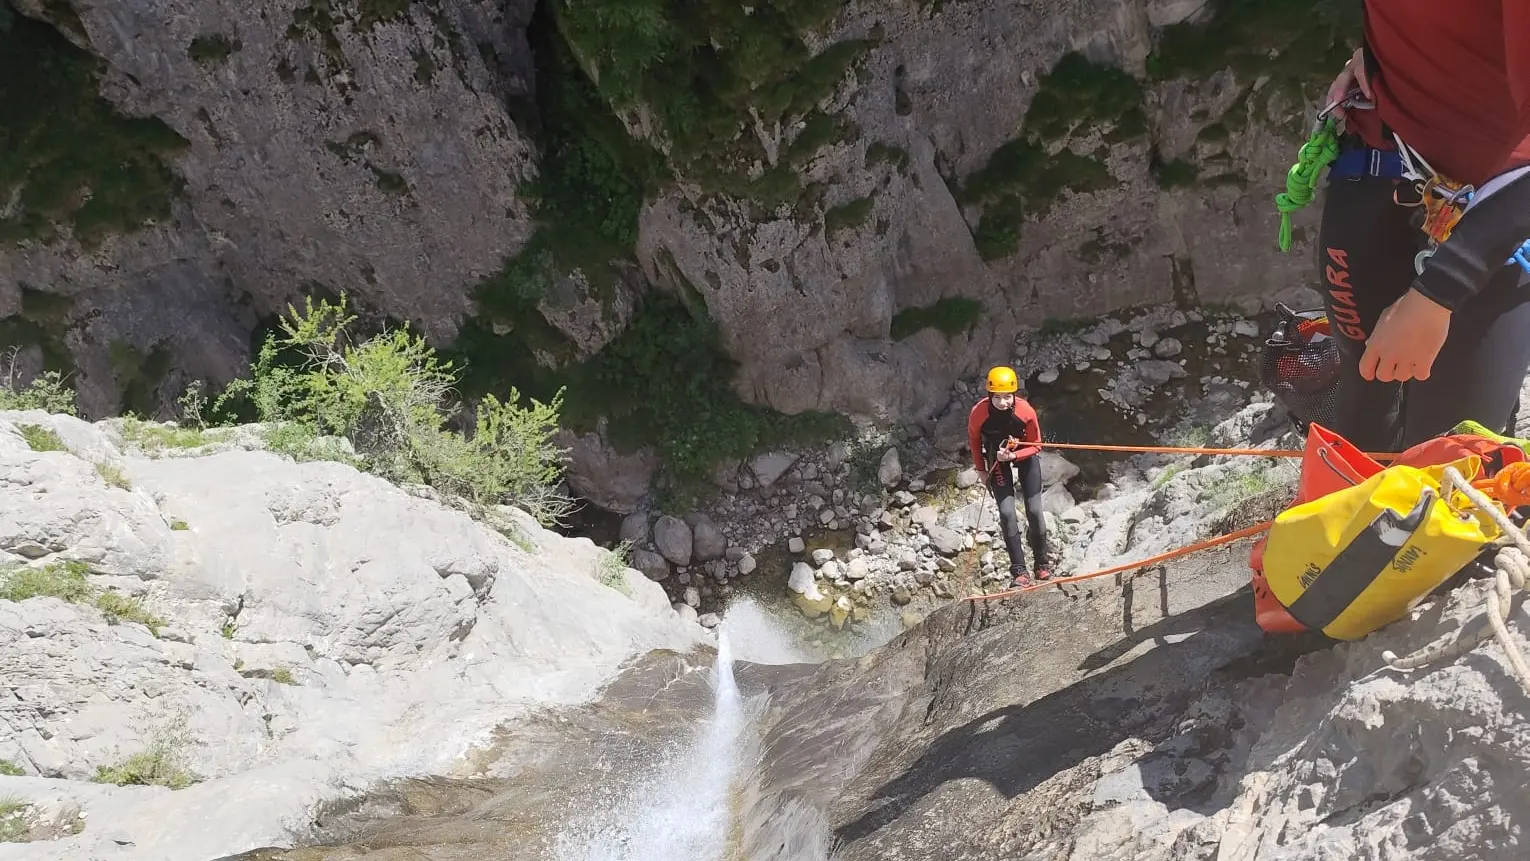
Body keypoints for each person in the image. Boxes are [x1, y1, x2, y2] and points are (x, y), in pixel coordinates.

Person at [1310, 1, 1530, 453]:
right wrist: (1378, 52)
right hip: (1374, 170)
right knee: (1361, 417)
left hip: (1493, 223)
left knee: (1452, 455)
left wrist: (1438, 292)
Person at [967, 366, 1051, 588]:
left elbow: (1036, 445)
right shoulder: (979, 413)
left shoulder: (1025, 411)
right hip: (997, 457)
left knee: (1034, 509)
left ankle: (1042, 563)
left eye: (1007, 397)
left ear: (1014, 394)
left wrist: (1014, 455)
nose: (1003, 403)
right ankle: (1019, 571)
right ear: (989, 396)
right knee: (1006, 512)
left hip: (1023, 454)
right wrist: (981, 470)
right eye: (997, 397)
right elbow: (974, 440)